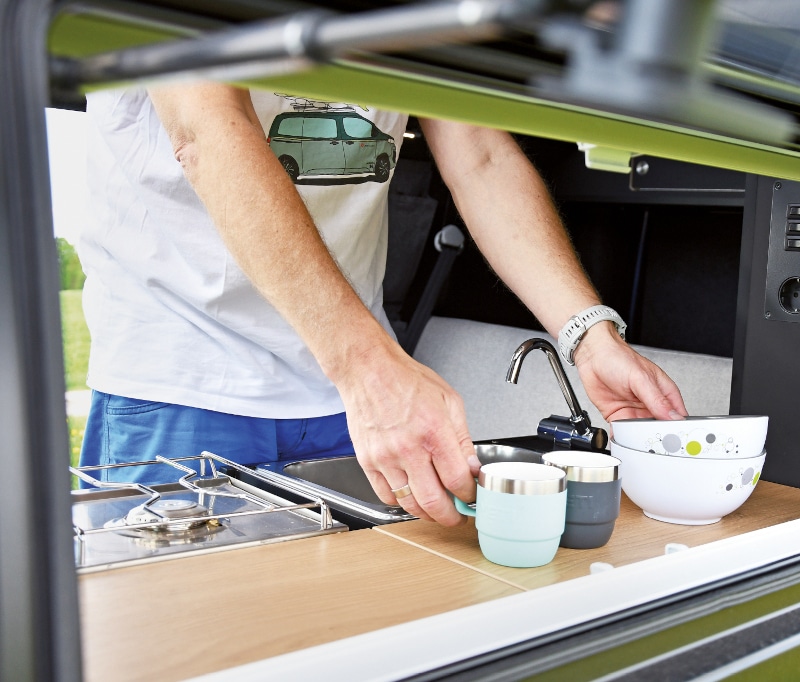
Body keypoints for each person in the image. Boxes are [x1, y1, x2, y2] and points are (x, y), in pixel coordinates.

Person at [77, 82, 687, 526]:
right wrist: (367, 369)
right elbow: (207, 134)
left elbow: (479, 151)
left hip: (350, 399)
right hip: (181, 380)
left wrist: (587, 333)